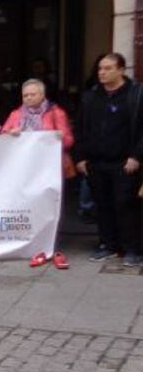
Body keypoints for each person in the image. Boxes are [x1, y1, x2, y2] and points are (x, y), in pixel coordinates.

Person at [73, 53, 143, 266]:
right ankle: (108, 245)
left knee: (126, 205)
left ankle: (133, 249)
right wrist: (81, 157)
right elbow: (81, 128)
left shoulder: (135, 94)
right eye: (100, 69)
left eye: (108, 68)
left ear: (121, 70)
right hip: (96, 162)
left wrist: (136, 156)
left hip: (125, 162)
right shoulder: (91, 96)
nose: (102, 73)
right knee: (102, 205)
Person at [1, 78, 75, 270]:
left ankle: (50, 243)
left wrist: (55, 136)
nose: (28, 98)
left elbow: (68, 140)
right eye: (25, 95)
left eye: (32, 94)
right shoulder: (16, 114)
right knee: (28, 204)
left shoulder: (56, 113)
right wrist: (11, 134)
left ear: (42, 95)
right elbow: (2, 137)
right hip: (24, 170)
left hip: (50, 169)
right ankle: (31, 243)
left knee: (49, 205)